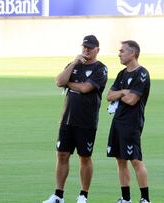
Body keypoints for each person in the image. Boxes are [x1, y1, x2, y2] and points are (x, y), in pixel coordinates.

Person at [42, 35, 108, 203]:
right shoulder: (73, 65)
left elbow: (86, 88)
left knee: (84, 157)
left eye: (90, 48)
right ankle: (58, 195)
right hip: (67, 119)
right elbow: (59, 81)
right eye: (84, 47)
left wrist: (69, 84)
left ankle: (83, 195)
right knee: (62, 155)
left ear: (97, 50)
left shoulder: (100, 69)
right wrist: (73, 63)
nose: (86, 50)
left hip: (86, 120)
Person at [106, 40, 151, 203]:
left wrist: (121, 93)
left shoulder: (142, 73)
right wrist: (123, 91)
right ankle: (126, 199)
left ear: (132, 53)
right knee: (120, 160)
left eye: (122, 51)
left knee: (135, 160)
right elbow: (109, 96)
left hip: (131, 123)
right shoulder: (122, 74)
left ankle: (145, 199)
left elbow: (132, 100)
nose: (119, 53)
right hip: (117, 122)